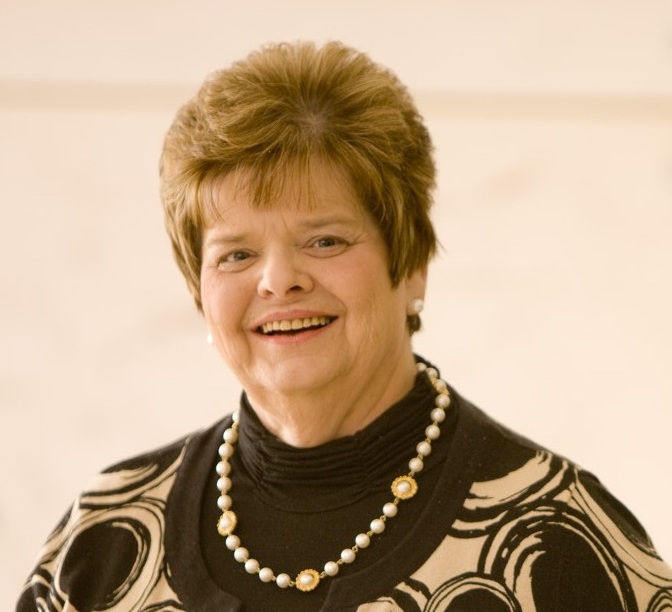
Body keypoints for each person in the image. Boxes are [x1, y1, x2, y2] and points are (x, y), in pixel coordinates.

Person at [17, 41, 672, 612]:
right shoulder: (103, 539)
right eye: (236, 254)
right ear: (200, 292)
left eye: (324, 240)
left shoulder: (557, 540)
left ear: (410, 263)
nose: (278, 281)